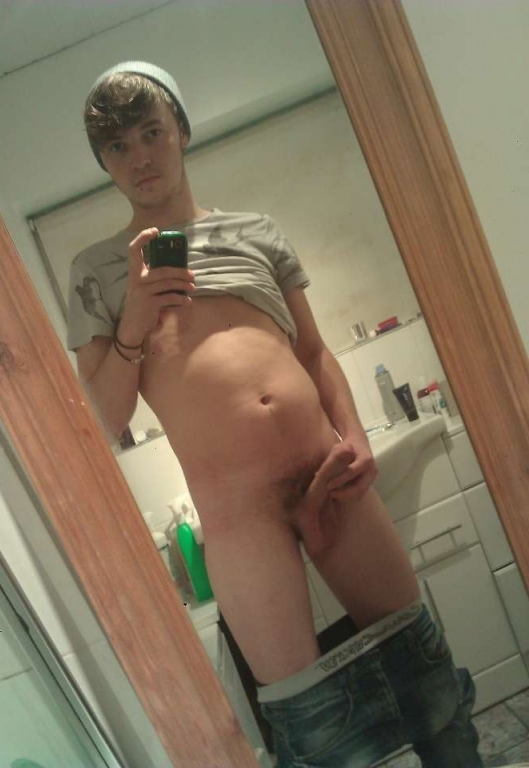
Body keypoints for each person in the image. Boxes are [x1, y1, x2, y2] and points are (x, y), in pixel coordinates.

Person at [67, 61, 483, 767]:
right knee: (310, 723)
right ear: (103, 162)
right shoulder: (97, 270)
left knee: (429, 679)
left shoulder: (256, 231)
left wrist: (355, 434)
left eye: (152, 133)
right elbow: (105, 419)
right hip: (238, 520)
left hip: (331, 471)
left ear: (181, 131)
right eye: (117, 146)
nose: (139, 157)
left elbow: (313, 351)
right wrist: (134, 318)